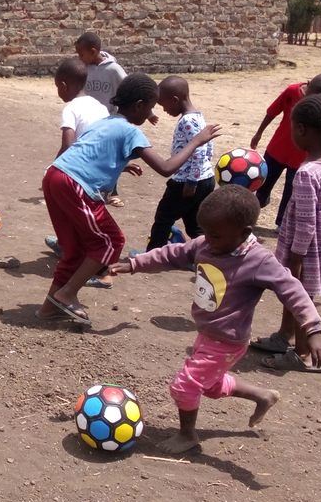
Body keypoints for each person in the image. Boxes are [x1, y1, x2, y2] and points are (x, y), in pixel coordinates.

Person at [110, 186, 321, 453]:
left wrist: (313, 330)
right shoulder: (207, 244)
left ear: (244, 233)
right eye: (205, 233)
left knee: (185, 386)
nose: (208, 240)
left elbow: (293, 290)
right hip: (207, 333)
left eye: (215, 235)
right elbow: (172, 254)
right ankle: (262, 395)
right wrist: (135, 264)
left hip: (228, 340)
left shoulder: (258, 261)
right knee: (211, 385)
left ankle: (187, 435)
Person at [38, 73, 220, 325]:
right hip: (75, 184)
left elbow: (88, 150)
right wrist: (197, 141)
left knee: (76, 249)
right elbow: (166, 168)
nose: (151, 114)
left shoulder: (106, 121)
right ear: (139, 105)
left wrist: (121, 165)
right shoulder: (131, 131)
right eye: (150, 108)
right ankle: (67, 293)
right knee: (112, 240)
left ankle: (49, 308)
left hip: (56, 176)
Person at [251, 95, 321, 372]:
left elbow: (306, 223)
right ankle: (286, 335)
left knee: (300, 293)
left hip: (306, 244)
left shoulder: (307, 173)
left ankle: (303, 354)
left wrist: (297, 257)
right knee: (292, 288)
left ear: (301, 130)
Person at [42, 58, 110, 282]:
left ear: (63, 85)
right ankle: (67, 246)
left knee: (78, 218)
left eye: (57, 87)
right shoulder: (99, 106)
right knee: (85, 216)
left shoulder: (71, 108)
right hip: (99, 172)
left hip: (77, 175)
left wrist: (53, 169)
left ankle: (92, 269)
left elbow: (68, 145)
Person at [74, 30, 151, 206]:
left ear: (93, 51)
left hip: (109, 119)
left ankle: (112, 191)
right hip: (90, 119)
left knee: (110, 155)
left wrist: (148, 112)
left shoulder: (113, 69)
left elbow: (130, 88)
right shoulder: (85, 69)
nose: (79, 58)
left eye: (81, 54)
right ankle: (89, 186)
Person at [250, 73, 321, 227]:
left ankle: (281, 223)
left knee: (291, 192)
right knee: (263, 183)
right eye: (312, 92)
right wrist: (259, 133)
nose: (313, 97)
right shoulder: (292, 91)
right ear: (308, 83)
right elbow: (272, 111)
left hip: (301, 156)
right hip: (278, 148)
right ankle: (257, 207)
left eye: (320, 95)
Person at [144, 76, 216, 250]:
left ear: (175, 100)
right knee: (194, 224)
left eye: (164, 105)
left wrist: (191, 181)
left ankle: (153, 256)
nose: (164, 110)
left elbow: (199, 150)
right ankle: (208, 254)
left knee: (163, 218)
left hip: (186, 182)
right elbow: (208, 147)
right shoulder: (198, 116)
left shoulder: (187, 121)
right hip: (205, 178)